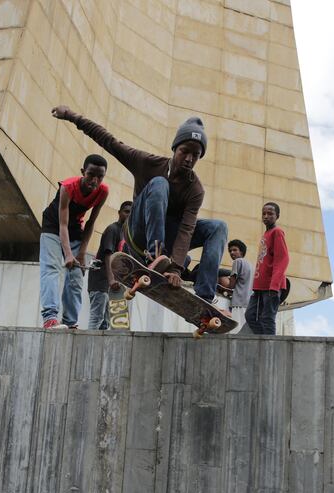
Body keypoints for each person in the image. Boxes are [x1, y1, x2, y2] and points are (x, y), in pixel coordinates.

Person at [51, 106, 227, 304]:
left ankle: (204, 296)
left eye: (195, 155)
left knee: (218, 227)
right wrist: (72, 116)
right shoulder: (146, 162)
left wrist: (176, 268)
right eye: (184, 151)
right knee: (160, 184)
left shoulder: (195, 189)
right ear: (175, 149)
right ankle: (155, 257)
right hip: (138, 235)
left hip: (168, 244)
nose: (188, 159)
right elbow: (109, 141)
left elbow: (186, 229)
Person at [40, 154, 109, 329]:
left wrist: (81, 253)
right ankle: (50, 318)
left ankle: (70, 323)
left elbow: (91, 222)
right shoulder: (68, 187)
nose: (94, 180)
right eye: (90, 175)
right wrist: (68, 254)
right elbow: (62, 223)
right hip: (53, 225)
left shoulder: (103, 191)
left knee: (76, 276)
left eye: (99, 176)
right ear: (82, 172)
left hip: (75, 229)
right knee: (52, 268)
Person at [246, 202, 289, 335]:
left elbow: (283, 259)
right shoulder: (266, 234)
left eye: (270, 214)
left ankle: (270, 347)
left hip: (271, 286)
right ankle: (263, 341)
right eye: (264, 213)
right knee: (250, 316)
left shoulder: (277, 232)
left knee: (267, 318)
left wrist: (274, 285)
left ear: (277, 216)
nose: (266, 216)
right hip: (260, 286)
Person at [87, 201, 132, 330]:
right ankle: (87, 346)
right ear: (119, 213)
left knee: (106, 322)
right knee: (97, 318)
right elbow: (108, 255)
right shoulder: (113, 229)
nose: (129, 215)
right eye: (126, 211)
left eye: (131, 213)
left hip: (111, 286)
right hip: (100, 281)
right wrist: (111, 279)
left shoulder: (127, 235)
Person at [222, 239, 253, 332]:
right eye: (230, 251)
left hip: (239, 302)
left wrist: (221, 281)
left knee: (236, 331)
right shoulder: (250, 264)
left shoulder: (237, 262)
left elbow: (231, 285)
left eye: (235, 250)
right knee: (245, 331)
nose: (232, 252)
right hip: (249, 302)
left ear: (241, 252)